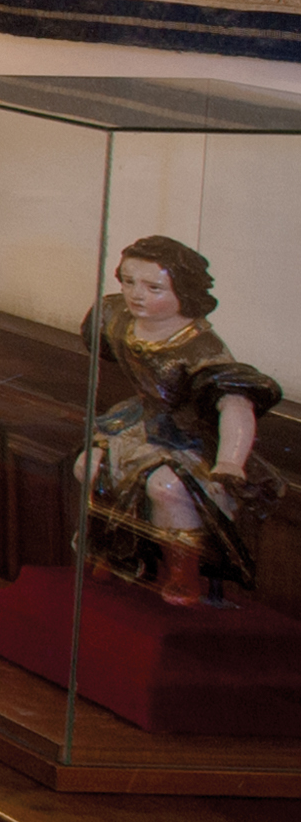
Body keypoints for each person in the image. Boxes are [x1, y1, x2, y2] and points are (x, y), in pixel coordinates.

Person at [75, 233, 277, 604]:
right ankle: (113, 552)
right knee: (91, 466)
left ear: (184, 291)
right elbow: (101, 346)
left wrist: (231, 462)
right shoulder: (114, 316)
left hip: (191, 435)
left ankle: (182, 569)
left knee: (166, 488)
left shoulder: (200, 346)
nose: (137, 295)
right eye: (130, 281)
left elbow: (236, 405)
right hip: (140, 422)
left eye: (155, 287)